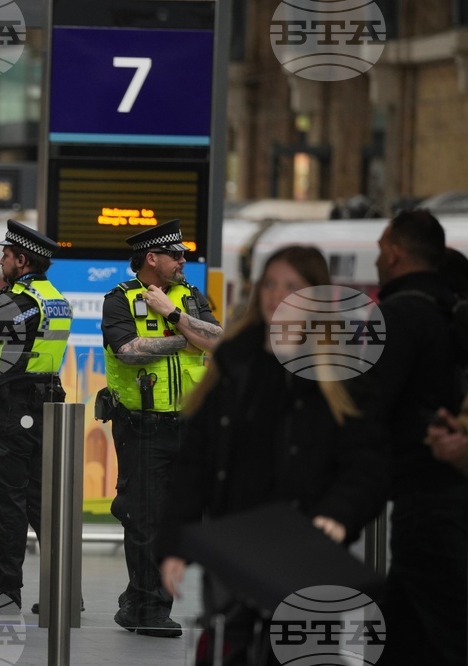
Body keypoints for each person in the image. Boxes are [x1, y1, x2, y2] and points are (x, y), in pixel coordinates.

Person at [157, 245, 390, 665]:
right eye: (270, 284)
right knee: (232, 650)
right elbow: (195, 465)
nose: (276, 296)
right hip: (234, 547)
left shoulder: (339, 374)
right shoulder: (233, 364)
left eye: (291, 286)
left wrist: (338, 514)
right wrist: (176, 545)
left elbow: (366, 462)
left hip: (303, 549)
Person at [349, 209, 468, 665]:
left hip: (425, 500)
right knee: (400, 631)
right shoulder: (450, 310)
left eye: (382, 250)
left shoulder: (398, 315)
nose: (378, 260)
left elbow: (368, 404)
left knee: (445, 633)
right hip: (445, 493)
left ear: (396, 253)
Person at [99, 218, 222, 638]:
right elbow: (128, 351)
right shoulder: (119, 300)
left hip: (189, 425)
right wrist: (186, 338)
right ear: (152, 258)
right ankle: (149, 608)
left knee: (184, 518)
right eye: (175, 255)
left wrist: (173, 315)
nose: (183, 261)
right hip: (142, 427)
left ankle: (138, 599)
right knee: (144, 517)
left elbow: (219, 341)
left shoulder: (190, 297)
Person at [0, 220, 72, 615]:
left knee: (7, 505)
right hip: (46, 411)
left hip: (10, 412)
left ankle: (5, 590)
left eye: (6, 255)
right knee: (42, 504)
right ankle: (63, 590)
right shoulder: (55, 298)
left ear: (22, 260)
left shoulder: (14, 302)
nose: (1, 261)